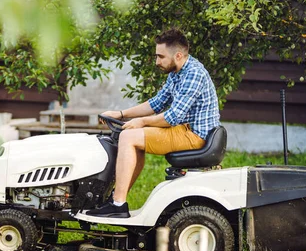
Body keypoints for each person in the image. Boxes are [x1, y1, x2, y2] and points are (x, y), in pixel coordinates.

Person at [87, 27, 220, 218]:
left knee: (128, 136)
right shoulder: (177, 72)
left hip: (194, 136)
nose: (157, 61)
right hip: (183, 130)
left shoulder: (194, 74)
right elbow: (156, 103)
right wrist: (120, 113)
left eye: (160, 56)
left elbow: (172, 116)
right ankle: (116, 199)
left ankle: (117, 204)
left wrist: (140, 122)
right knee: (133, 139)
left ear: (178, 55)